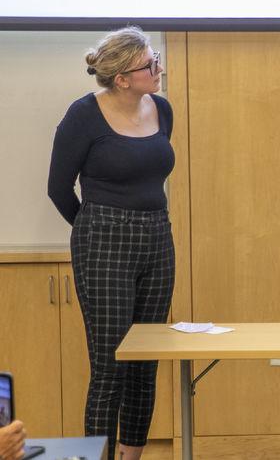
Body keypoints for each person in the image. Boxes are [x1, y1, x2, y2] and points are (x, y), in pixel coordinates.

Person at [47, 27, 175, 460]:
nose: (159, 69)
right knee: (110, 366)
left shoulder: (161, 108)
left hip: (157, 237)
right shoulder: (82, 116)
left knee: (145, 363)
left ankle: (131, 455)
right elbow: (59, 188)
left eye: (155, 58)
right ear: (122, 78)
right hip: (103, 241)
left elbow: (151, 168)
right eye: (149, 65)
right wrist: (92, 231)